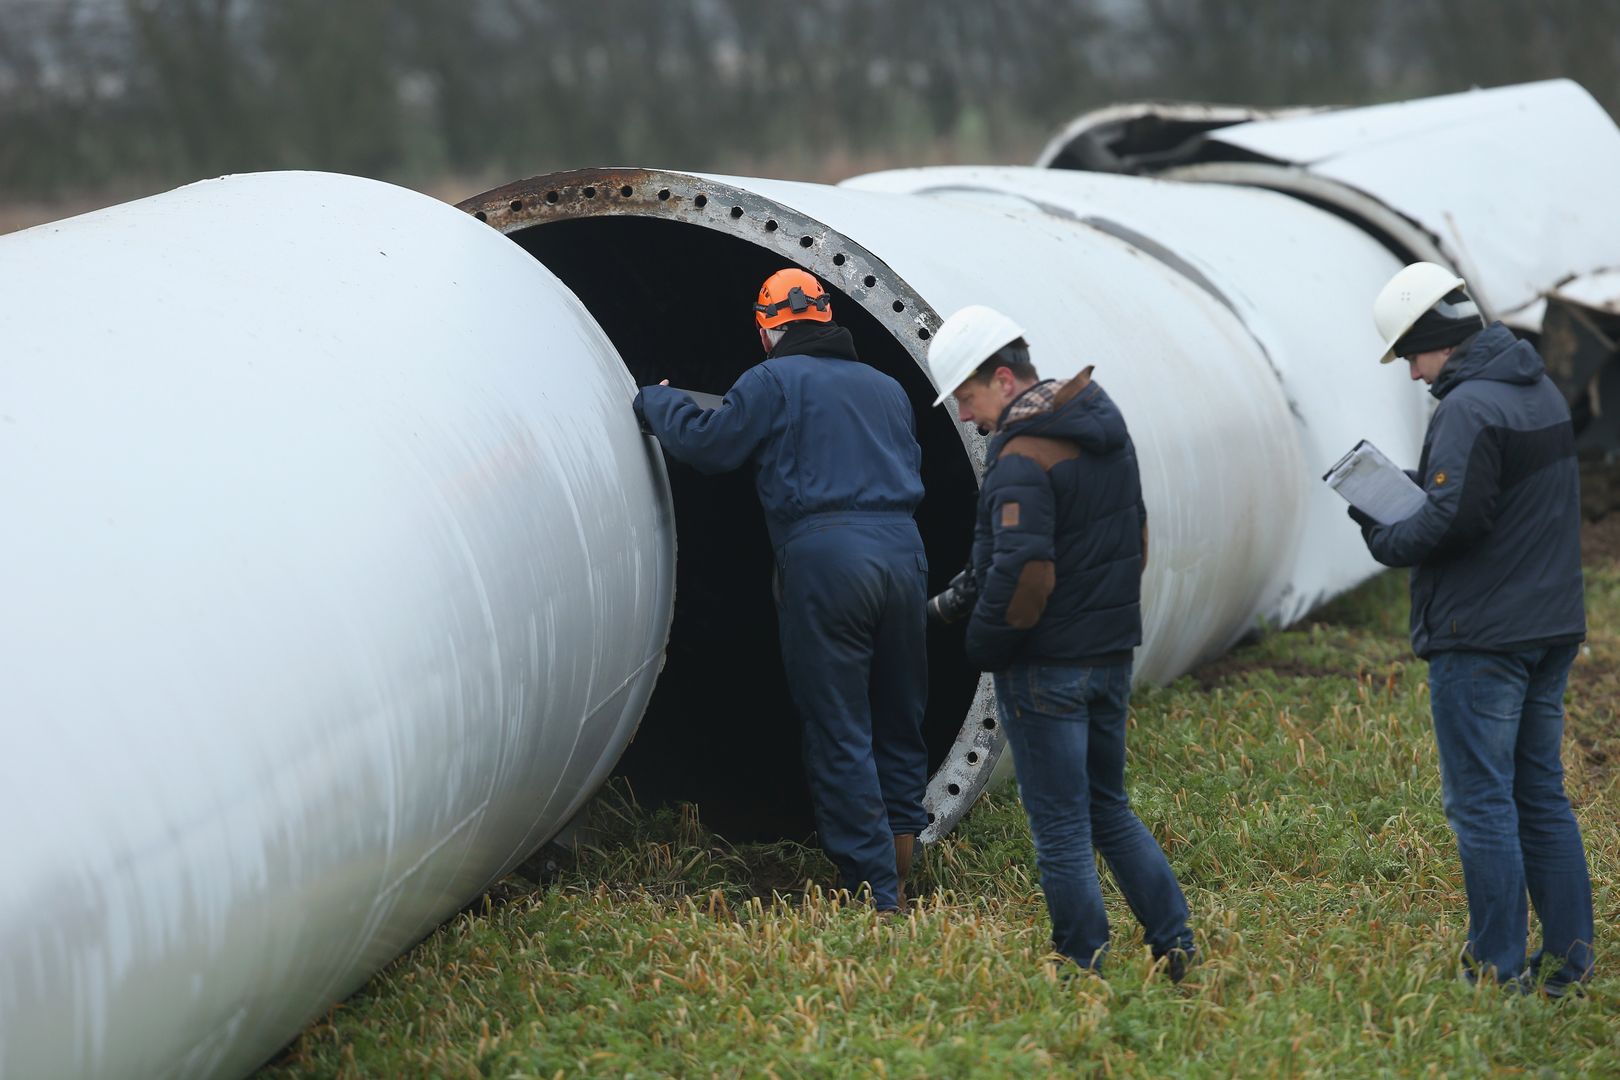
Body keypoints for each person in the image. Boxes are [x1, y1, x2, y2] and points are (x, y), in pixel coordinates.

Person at [633, 268, 929, 911]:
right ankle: (903, 864)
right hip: (904, 556)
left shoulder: (770, 380)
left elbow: (709, 446)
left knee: (840, 725)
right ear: (826, 317)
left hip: (828, 560)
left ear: (766, 329)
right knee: (898, 716)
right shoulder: (888, 389)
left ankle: (876, 895)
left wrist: (656, 403)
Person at [925, 304, 1195, 978]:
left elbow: (1023, 573)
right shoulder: (1104, 428)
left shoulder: (1020, 458)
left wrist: (984, 649)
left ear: (1006, 380)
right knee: (1108, 807)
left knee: (1061, 828)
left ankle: (1081, 964)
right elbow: (1132, 540)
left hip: (1046, 669)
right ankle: (1174, 939)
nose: (964, 414)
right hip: (1107, 656)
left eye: (967, 394)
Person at [1354, 262, 1593, 994]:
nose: (1413, 374)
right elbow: (1488, 500)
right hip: (1549, 623)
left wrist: (1379, 527)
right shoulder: (1537, 389)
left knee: (1482, 801)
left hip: (1483, 634)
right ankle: (1568, 967)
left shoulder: (1466, 408)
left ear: (1433, 339)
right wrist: (1423, 491)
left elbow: (1453, 520)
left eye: (1412, 356)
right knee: (1539, 794)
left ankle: (1497, 968)